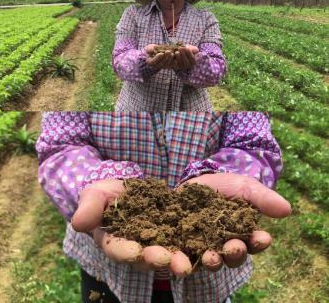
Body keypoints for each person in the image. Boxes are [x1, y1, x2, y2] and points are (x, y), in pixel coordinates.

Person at [37, 112, 292, 303]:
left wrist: (233, 176)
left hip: (205, 279)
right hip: (107, 271)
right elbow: (61, 146)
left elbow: (252, 143)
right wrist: (94, 186)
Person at [113, 0, 226, 111]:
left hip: (191, 118)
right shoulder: (133, 16)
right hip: (137, 114)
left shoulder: (206, 20)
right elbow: (120, 61)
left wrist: (193, 63)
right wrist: (145, 61)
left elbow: (217, 69)